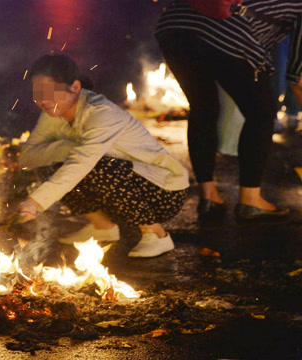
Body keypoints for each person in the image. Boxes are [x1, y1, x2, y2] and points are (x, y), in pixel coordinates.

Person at [16, 53, 189, 258]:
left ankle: (157, 234)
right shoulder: (53, 112)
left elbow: (80, 165)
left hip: (163, 191)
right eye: (38, 94)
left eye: (50, 92)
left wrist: (35, 203)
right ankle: (103, 227)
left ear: (75, 87)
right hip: (125, 189)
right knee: (51, 165)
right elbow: (28, 157)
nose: (43, 100)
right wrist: (68, 147)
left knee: (98, 166)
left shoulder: (101, 113)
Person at [155, 0, 302, 221]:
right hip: (225, 30)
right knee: (261, 113)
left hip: (173, 26)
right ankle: (250, 200)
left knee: (203, 108)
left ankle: (209, 197)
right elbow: (296, 78)